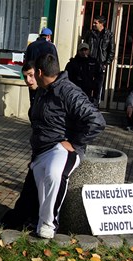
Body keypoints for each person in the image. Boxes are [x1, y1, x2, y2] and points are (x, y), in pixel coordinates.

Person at [29, 54, 106, 238]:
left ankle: (49, 225)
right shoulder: (42, 90)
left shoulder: (69, 92)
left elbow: (97, 121)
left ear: (40, 72)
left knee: (55, 175)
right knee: (40, 190)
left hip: (61, 149)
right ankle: (40, 223)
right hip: (40, 151)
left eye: (33, 74)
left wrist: (74, 142)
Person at [0, 61, 40, 230]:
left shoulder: (48, 93)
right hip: (38, 147)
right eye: (25, 77)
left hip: (49, 149)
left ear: (39, 73)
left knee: (33, 186)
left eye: (31, 75)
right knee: (31, 186)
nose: (28, 80)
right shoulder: (35, 93)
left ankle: (24, 218)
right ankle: (24, 217)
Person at [83, 15, 115, 106]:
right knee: (87, 84)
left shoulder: (109, 34)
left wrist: (106, 63)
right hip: (89, 62)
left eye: (95, 23)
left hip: (101, 64)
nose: (93, 24)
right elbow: (85, 46)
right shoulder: (90, 33)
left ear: (101, 24)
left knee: (98, 85)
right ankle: (86, 104)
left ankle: (96, 105)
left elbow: (111, 50)